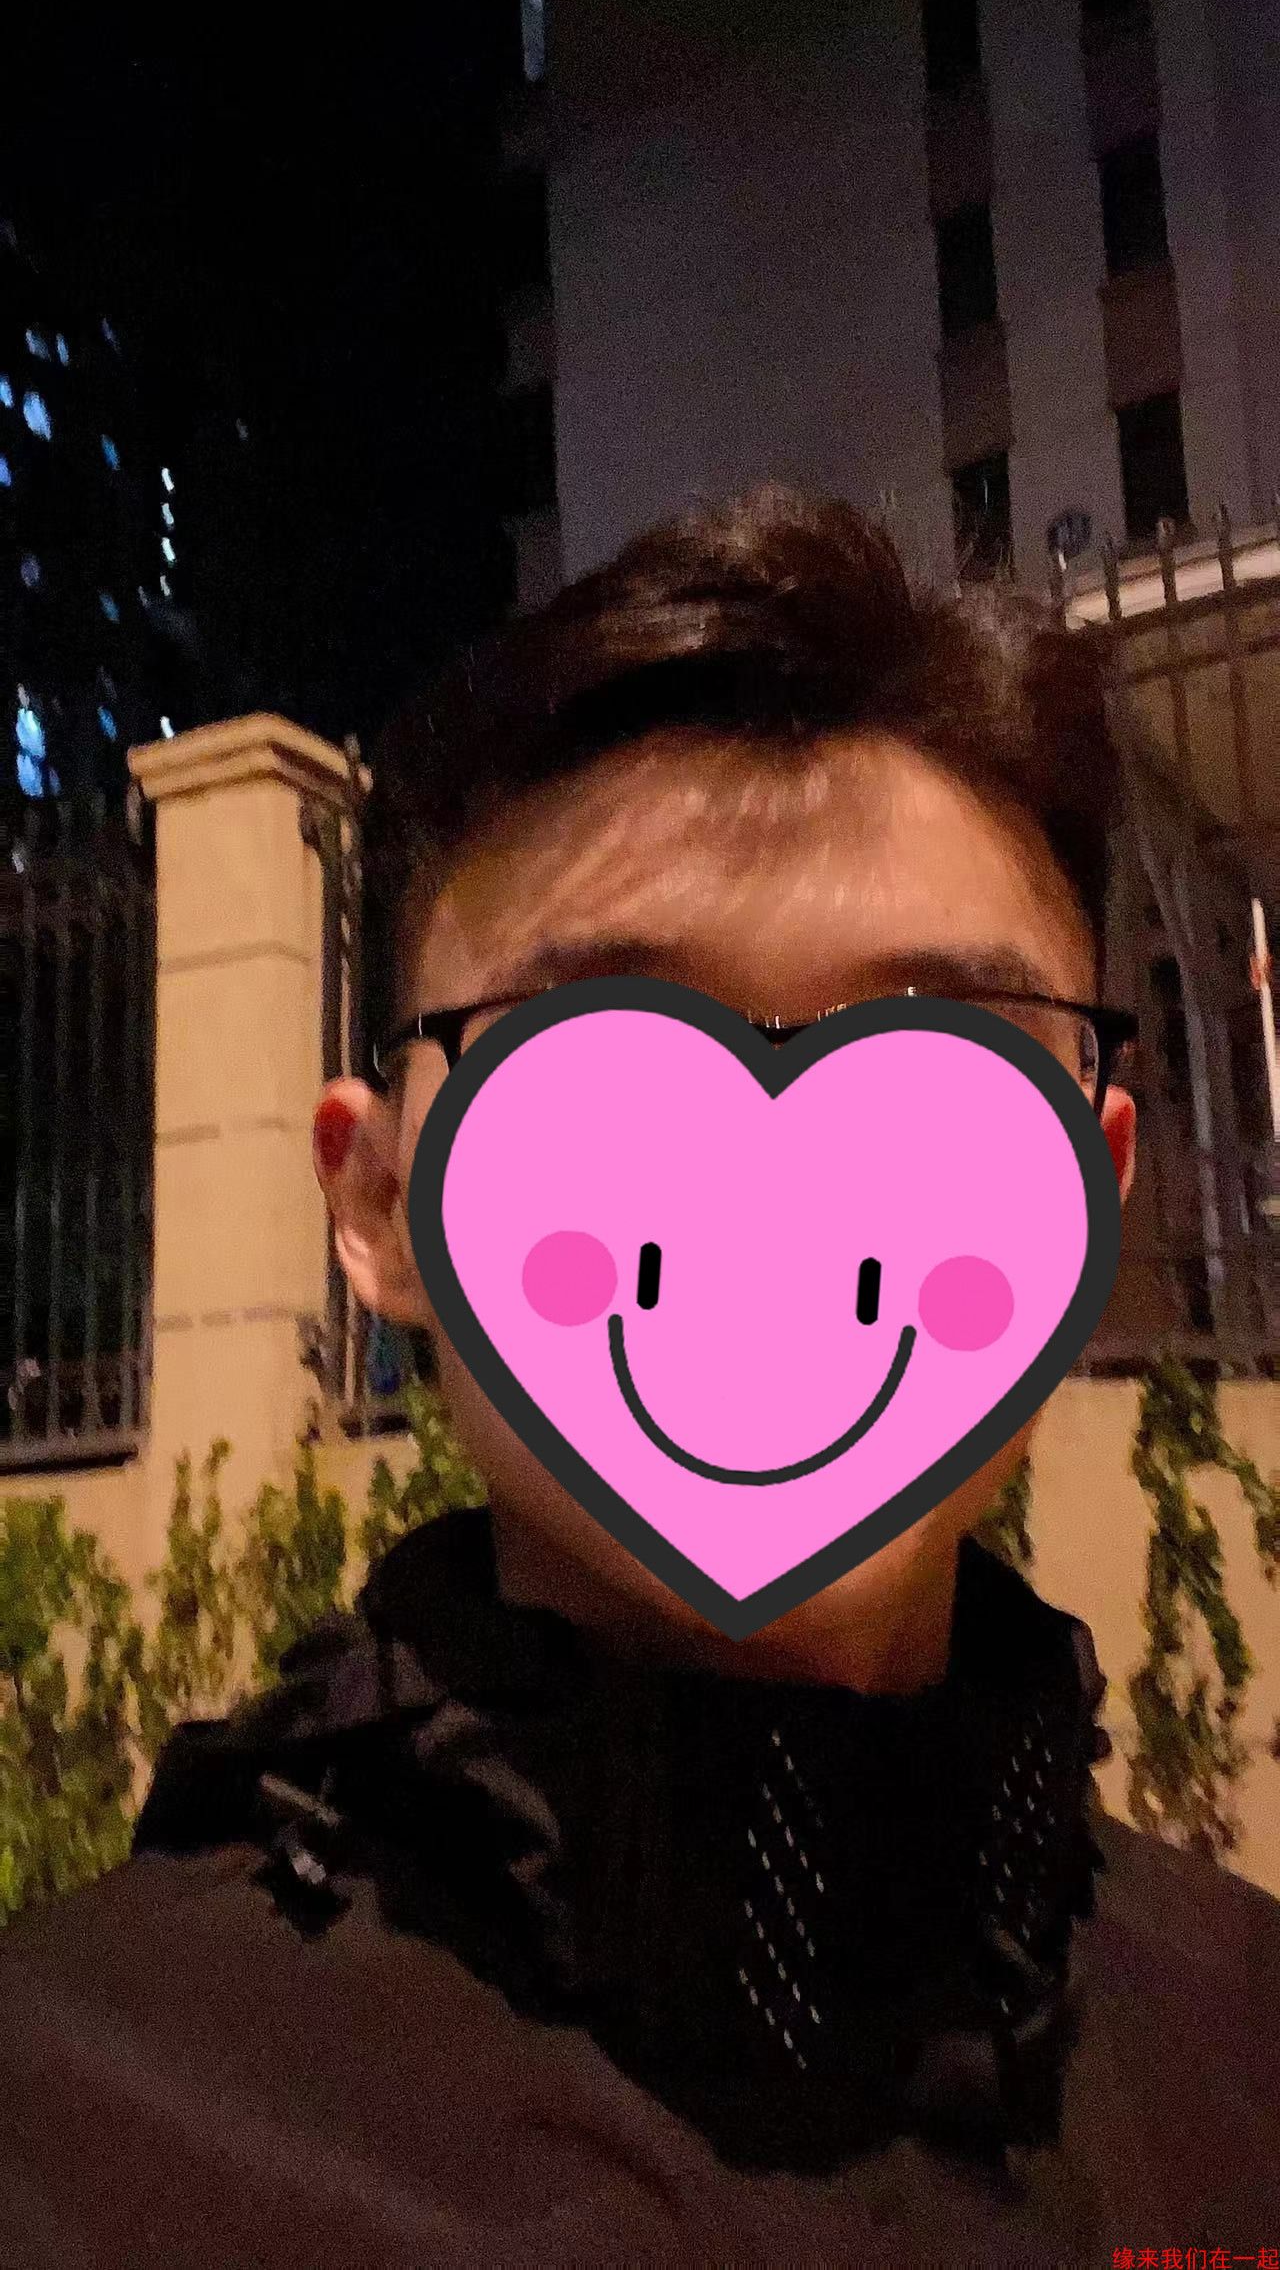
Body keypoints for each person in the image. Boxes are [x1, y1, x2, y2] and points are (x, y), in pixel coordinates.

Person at [3, 485, 1278, 2267]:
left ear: (1090, 1197)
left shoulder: (1243, 2060)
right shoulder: (68, 2131)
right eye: (601, 1050)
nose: (774, 1209)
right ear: (378, 1205)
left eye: (946, 1052)